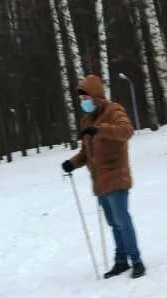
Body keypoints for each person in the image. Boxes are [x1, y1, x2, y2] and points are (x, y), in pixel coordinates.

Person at [62, 74, 144, 278]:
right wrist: (73, 163)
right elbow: (87, 152)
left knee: (122, 220)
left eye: (86, 98)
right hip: (100, 181)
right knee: (113, 223)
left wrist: (101, 129)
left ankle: (136, 261)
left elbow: (126, 131)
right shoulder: (86, 121)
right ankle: (121, 260)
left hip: (117, 175)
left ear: (96, 96)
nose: (84, 103)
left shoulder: (114, 110)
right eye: (81, 100)